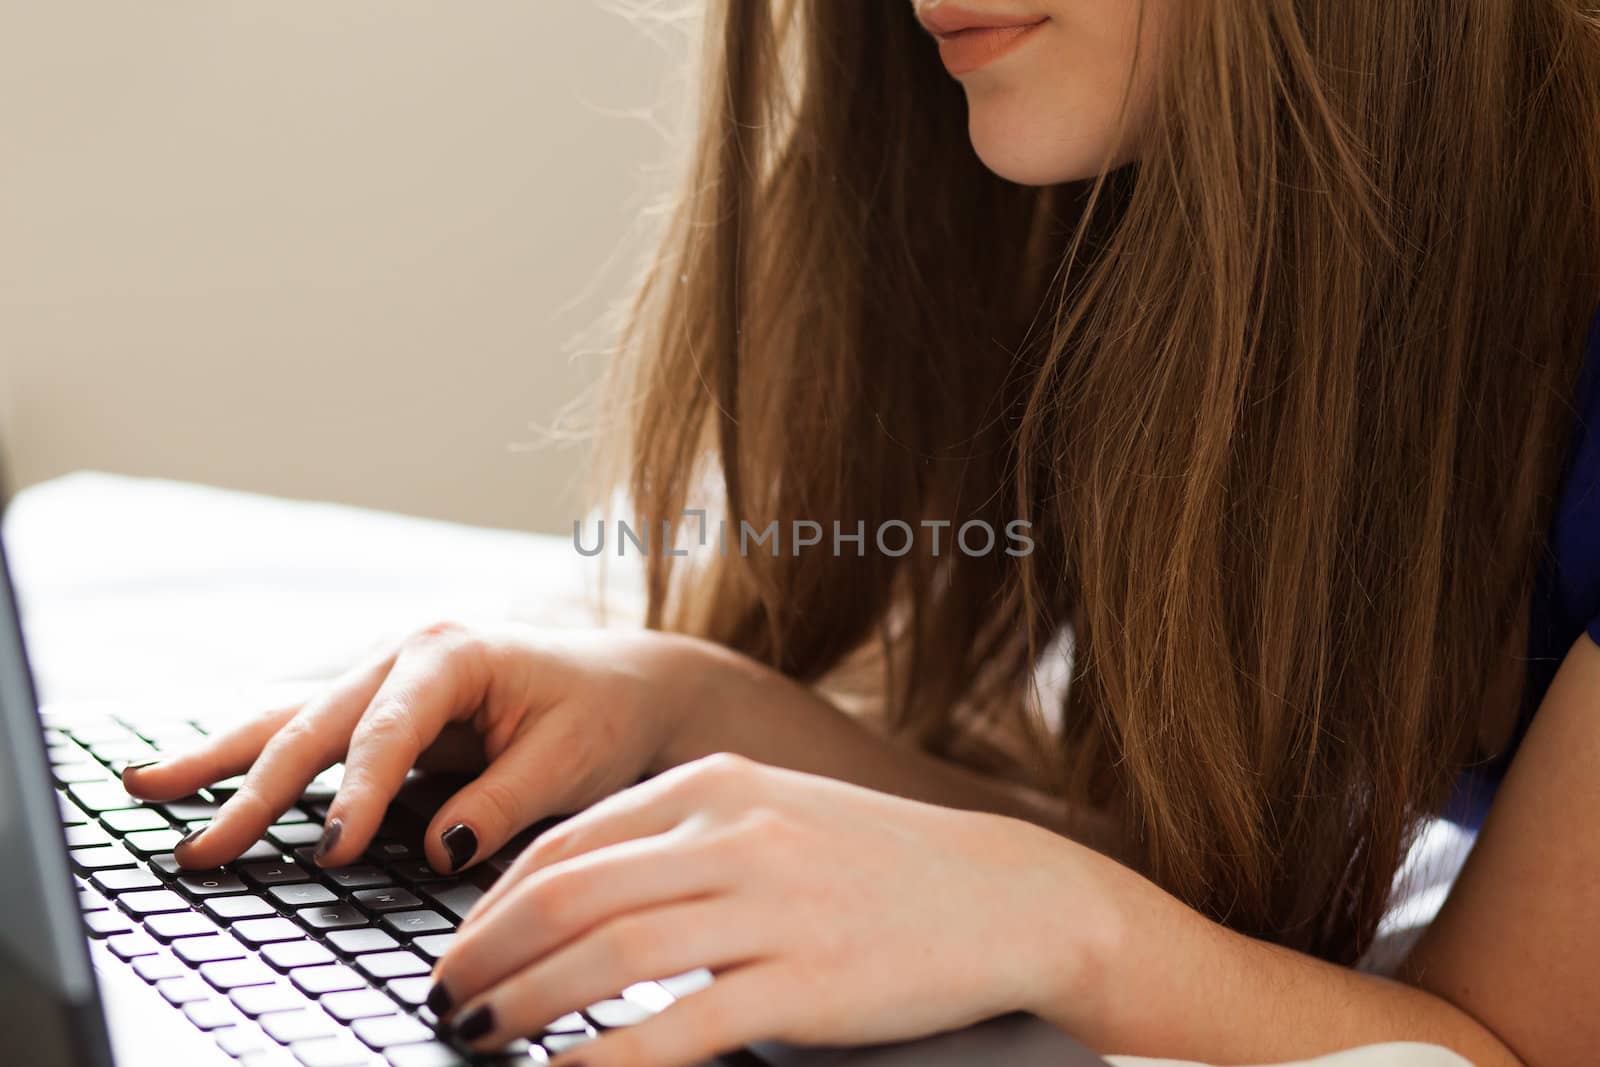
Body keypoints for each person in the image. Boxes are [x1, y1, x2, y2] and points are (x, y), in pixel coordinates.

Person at [121, 2, 1600, 1064]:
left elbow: (1501, 1047)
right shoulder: (1159, 213)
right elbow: (1211, 884)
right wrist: (690, 708)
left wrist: (1070, 922)